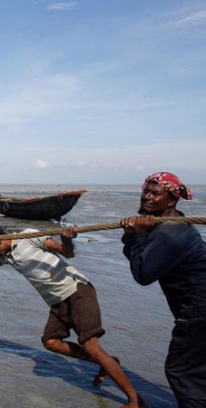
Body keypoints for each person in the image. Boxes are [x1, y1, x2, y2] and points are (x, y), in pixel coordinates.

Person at [0, 225, 143, 407]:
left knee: (91, 345)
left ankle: (134, 400)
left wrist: (67, 239)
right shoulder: (4, 255)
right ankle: (107, 362)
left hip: (76, 290)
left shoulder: (28, 236)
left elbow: (67, 253)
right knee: (51, 342)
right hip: (56, 301)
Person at [120, 172, 206, 407]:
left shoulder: (170, 233)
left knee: (182, 373)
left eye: (156, 194)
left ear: (171, 201)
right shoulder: (168, 226)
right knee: (198, 373)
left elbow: (143, 274)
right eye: (146, 191)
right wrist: (132, 237)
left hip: (198, 313)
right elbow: (141, 258)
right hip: (196, 310)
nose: (147, 197)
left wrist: (136, 236)